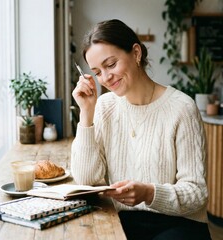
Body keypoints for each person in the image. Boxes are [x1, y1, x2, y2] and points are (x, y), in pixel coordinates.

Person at [71, 19, 212, 240]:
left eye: (111, 64)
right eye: (97, 72)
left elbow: (197, 193)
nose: (106, 78)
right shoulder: (104, 107)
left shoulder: (182, 108)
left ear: (136, 53)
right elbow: (86, 180)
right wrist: (86, 114)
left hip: (179, 224)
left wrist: (149, 193)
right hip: (124, 221)